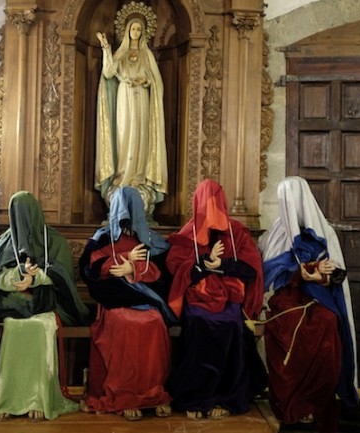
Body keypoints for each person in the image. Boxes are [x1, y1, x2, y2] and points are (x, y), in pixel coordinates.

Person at [258, 176, 358, 432]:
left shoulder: (325, 232)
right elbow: (269, 275)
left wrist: (323, 276)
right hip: (287, 299)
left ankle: (316, 401)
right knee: (287, 325)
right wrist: (299, 274)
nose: (289, 206)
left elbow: (339, 275)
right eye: (284, 200)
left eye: (292, 200)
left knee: (327, 321)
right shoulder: (274, 235)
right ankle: (292, 401)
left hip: (319, 297)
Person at [0, 191, 91, 422]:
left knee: (40, 326)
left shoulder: (54, 240)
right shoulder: (3, 242)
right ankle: (9, 397)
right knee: (15, 327)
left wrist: (37, 277)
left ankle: (39, 398)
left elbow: (64, 277)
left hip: (50, 304)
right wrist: (17, 277)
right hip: (14, 306)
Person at [165, 179, 266, 420]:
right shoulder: (188, 233)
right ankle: (196, 396)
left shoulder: (237, 232)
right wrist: (203, 263)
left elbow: (251, 270)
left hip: (228, 296)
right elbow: (176, 268)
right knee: (200, 325)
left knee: (231, 325)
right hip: (198, 298)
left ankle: (225, 397)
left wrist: (223, 264)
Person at [79, 187, 176, 421]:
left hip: (145, 301)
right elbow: (90, 269)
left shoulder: (151, 240)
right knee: (126, 324)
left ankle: (151, 393)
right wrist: (120, 261)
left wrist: (133, 268)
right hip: (113, 301)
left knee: (155, 322)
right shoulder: (102, 238)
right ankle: (125, 394)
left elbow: (164, 274)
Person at [95, 6, 167, 221]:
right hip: (124, 100)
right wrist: (106, 49)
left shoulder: (146, 55)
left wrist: (146, 81)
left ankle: (138, 178)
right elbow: (108, 72)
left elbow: (157, 82)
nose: (135, 32)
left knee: (141, 138)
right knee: (125, 137)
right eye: (133, 28)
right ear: (127, 31)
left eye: (139, 29)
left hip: (142, 100)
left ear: (143, 32)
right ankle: (122, 177)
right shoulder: (122, 53)